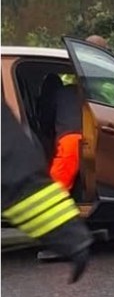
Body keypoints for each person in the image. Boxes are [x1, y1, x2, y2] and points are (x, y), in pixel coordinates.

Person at [2, 98, 92, 282]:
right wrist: (64, 230)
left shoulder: (60, 99)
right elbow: (11, 166)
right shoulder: (73, 97)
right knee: (59, 184)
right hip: (72, 141)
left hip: (69, 140)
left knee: (60, 182)